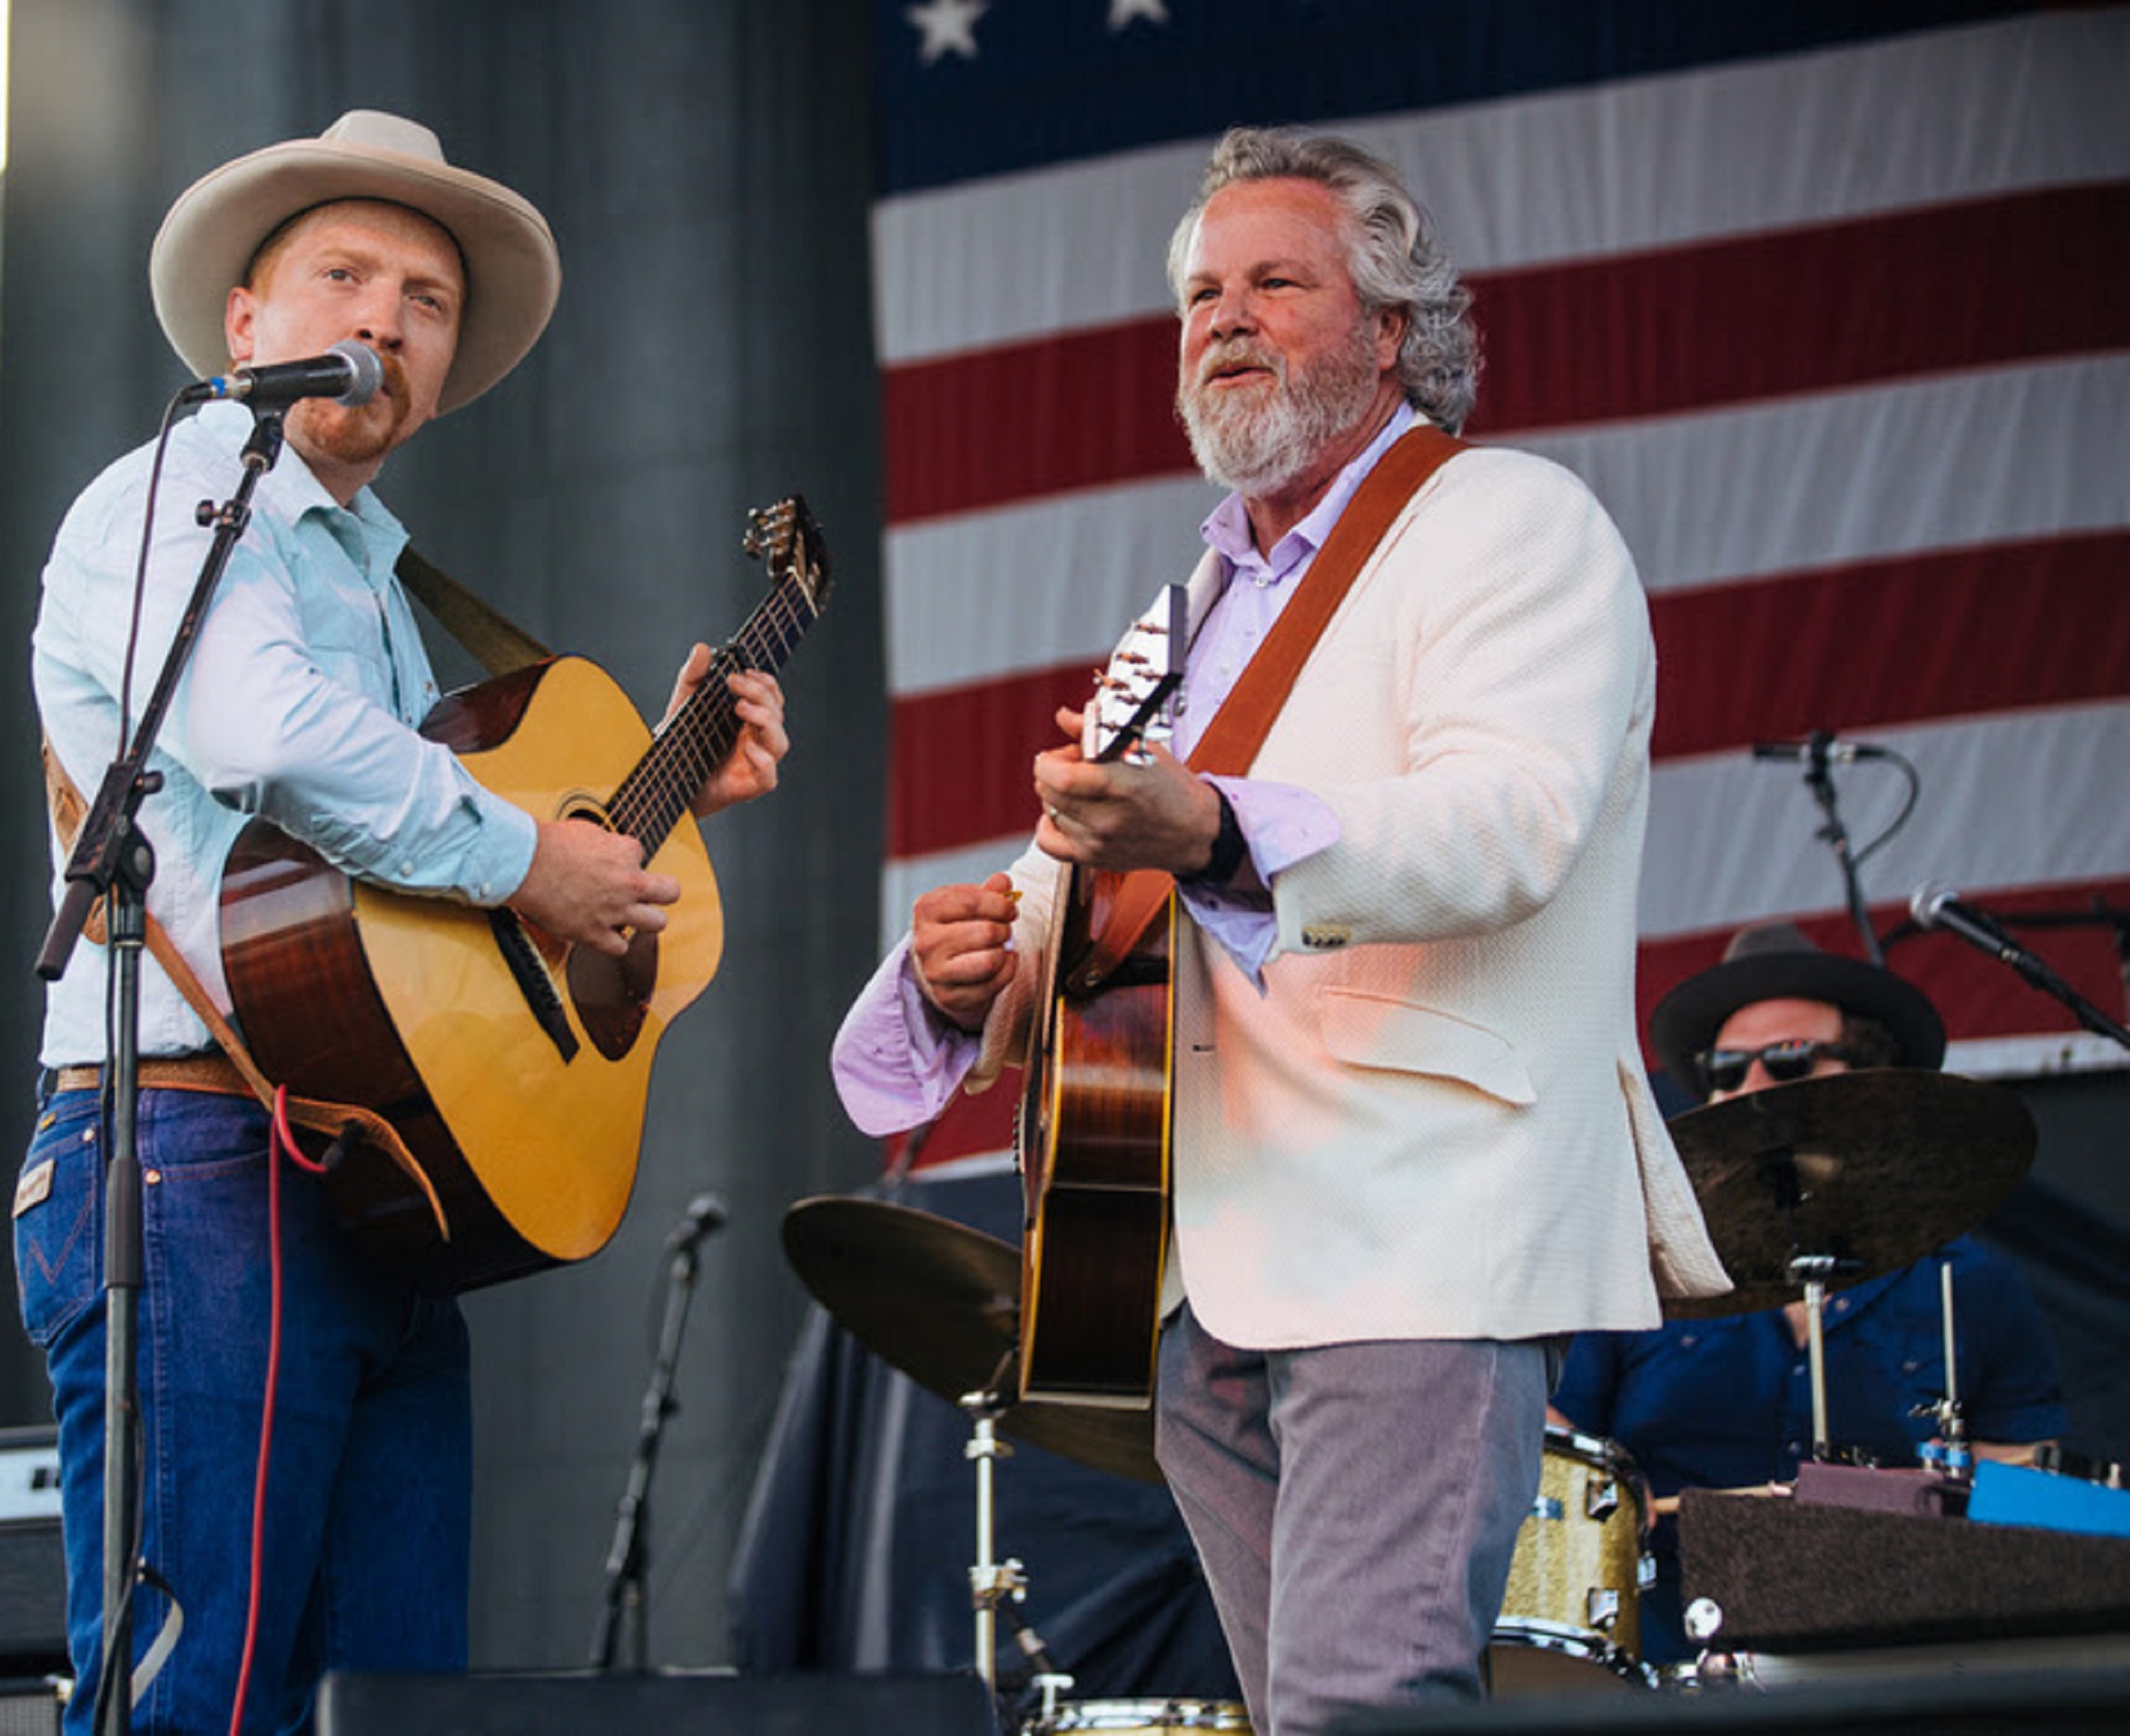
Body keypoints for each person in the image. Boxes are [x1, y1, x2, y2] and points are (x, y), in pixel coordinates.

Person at [832, 126, 1727, 1734]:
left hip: (1405, 1218)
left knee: (1358, 1706)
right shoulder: (1168, 622)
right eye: (1197, 292)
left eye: (1272, 281)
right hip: (1170, 1250)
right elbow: (1065, 890)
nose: (1221, 315)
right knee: (1302, 1710)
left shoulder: (1504, 519)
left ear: (1387, 330)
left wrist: (1220, 821)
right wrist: (962, 970)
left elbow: (1508, 819)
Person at [14, 111, 788, 1735]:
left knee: (391, 1709)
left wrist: (655, 799)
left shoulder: (374, 579)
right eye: (343, 275)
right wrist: (528, 856)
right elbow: (270, 739)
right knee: (195, 1702)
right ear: (245, 324)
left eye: (426, 299)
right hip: (192, 1153)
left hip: (369, 1170)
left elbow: (408, 904)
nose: (385, 318)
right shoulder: (174, 493)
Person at [1552, 922, 2066, 1668]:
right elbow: (1554, 1441)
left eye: (1787, 1061)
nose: (1750, 1088)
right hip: (1665, 1664)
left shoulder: (1971, 1284)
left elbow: (2023, 1485)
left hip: (1902, 1666)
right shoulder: (1641, 1274)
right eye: (1726, 1069)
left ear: (1870, 1081)